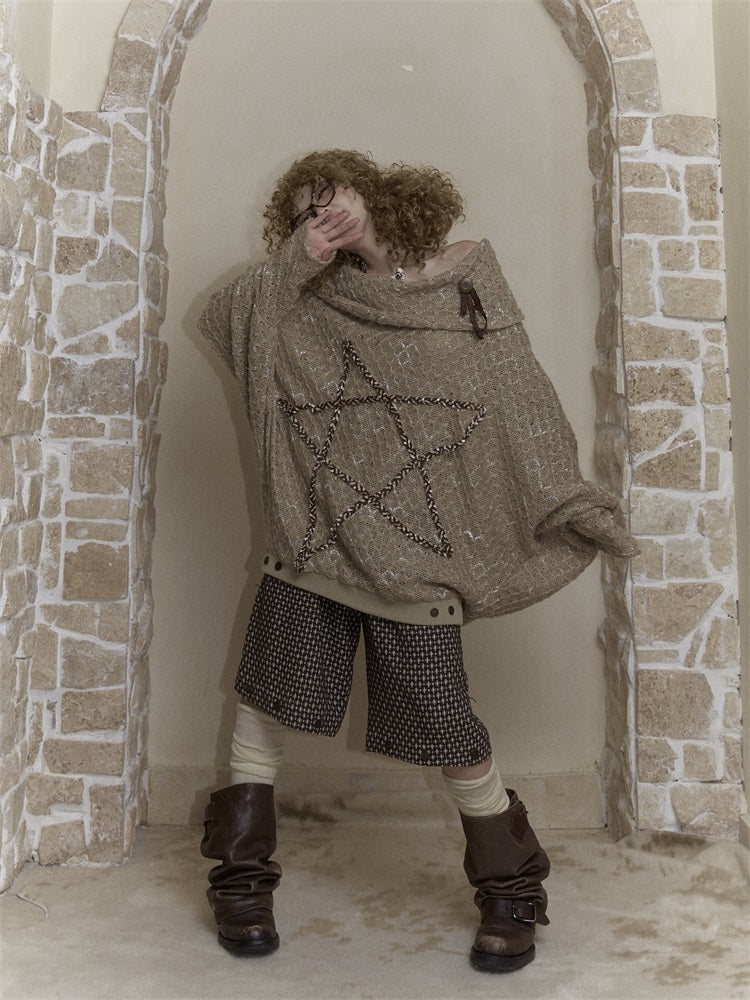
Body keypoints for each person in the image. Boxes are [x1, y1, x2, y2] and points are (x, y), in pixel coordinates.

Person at [197, 149, 638, 973]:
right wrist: (300, 261)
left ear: (369, 188)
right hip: (320, 534)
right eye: (304, 213)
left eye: (331, 194)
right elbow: (228, 321)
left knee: (446, 725)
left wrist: (562, 497)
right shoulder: (303, 293)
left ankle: (512, 889)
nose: (323, 213)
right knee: (266, 701)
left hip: (416, 552)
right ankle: (241, 881)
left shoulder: (464, 275)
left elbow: (517, 393)